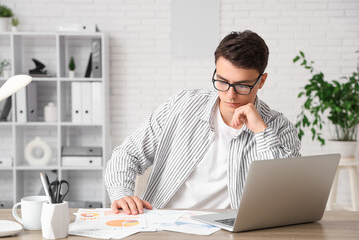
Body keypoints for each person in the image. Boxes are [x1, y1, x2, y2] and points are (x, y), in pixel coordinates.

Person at [105, 30, 301, 215]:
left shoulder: (278, 127)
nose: (230, 95)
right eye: (222, 81)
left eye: (242, 85)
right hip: (164, 225)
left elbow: (287, 193)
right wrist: (122, 193)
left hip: (229, 232)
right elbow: (127, 153)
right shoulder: (182, 105)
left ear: (261, 81)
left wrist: (261, 132)